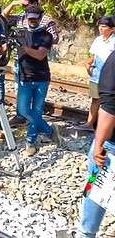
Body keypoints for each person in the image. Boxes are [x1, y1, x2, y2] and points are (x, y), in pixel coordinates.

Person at [3, 0, 60, 127]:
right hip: (20, 60)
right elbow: (3, 17)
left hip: (37, 60)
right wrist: (13, 3)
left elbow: (55, 38)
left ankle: (35, 122)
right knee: (21, 89)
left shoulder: (46, 20)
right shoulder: (21, 17)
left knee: (36, 95)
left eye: (26, 5)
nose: (25, 10)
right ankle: (21, 116)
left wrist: (38, 38)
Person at [77, 46, 115, 237]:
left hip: (110, 148)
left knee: (94, 191)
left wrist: (99, 144)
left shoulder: (113, 61)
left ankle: (85, 233)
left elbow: (109, 107)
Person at [16, 6, 61, 156]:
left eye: (36, 18)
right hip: (25, 77)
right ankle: (49, 130)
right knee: (23, 110)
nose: (33, 21)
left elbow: (40, 55)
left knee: (37, 110)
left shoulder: (46, 36)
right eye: (30, 18)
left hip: (41, 78)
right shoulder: (20, 34)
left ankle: (30, 140)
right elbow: (4, 47)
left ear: (41, 19)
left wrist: (21, 46)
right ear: (26, 18)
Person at [75, 16, 115, 132]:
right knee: (95, 99)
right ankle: (90, 123)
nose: (101, 29)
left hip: (110, 76)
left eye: (104, 26)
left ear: (112, 29)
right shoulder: (98, 40)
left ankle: (107, 126)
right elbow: (93, 56)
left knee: (109, 101)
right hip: (96, 74)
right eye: (100, 26)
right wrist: (88, 64)